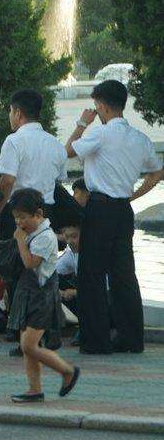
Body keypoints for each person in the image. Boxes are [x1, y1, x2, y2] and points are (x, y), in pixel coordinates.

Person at [64, 79, 164, 354]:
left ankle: (96, 341)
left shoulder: (101, 134)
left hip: (99, 208)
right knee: (124, 274)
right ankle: (131, 338)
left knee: (92, 273)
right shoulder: (139, 138)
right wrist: (136, 195)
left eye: (96, 107)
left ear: (103, 106)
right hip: (122, 209)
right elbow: (157, 171)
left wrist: (83, 124)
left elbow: (68, 151)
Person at [6, 189, 82, 402]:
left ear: (38, 214)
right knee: (29, 345)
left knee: (28, 345)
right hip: (29, 294)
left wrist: (20, 241)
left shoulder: (45, 236)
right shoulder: (32, 233)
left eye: (23, 217)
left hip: (42, 296)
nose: (19, 222)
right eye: (16, 218)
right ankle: (34, 388)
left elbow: (31, 263)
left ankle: (66, 371)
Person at [0, 89, 68, 239]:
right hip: (46, 212)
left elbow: (7, 180)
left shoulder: (14, 141)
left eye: (10, 111)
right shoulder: (56, 144)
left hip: (18, 212)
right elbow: (59, 179)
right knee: (39, 259)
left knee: (12, 259)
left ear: (18, 113)